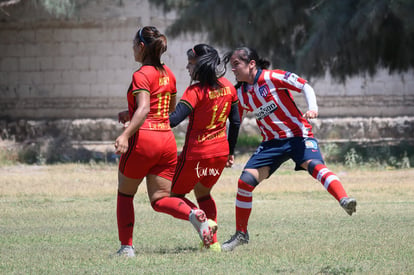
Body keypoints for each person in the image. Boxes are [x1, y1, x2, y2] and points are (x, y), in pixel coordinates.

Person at [221, 47, 357, 252]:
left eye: (236, 65)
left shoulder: (273, 77)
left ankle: (344, 199)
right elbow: (235, 122)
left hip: (297, 136)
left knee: (315, 166)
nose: (233, 69)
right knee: (244, 182)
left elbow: (305, 86)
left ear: (251, 64)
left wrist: (313, 108)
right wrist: (229, 150)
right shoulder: (240, 92)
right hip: (271, 143)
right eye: (231, 66)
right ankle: (241, 234)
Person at [114, 26, 212, 257]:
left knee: (125, 195)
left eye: (133, 46)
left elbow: (145, 107)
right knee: (160, 199)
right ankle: (193, 214)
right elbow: (166, 109)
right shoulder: (169, 74)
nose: (132, 50)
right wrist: (131, 112)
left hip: (143, 141)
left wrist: (125, 134)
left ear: (141, 47)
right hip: (166, 140)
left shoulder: (141, 74)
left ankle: (126, 247)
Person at [169, 44, 241, 252]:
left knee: (172, 196)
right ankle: (213, 244)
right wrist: (231, 152)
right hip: (219, 153)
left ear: (200, 66)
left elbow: (174, 121)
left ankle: (202, 222)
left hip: (196, 155)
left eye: (190, 64)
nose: (187, 68)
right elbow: (235, 123)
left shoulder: (195, 91)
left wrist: (149, 115)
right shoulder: (229, 86)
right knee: (204, 194)